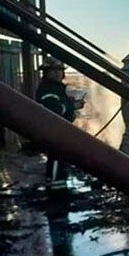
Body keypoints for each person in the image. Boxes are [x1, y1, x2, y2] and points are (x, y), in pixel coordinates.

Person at [36, 57, 84, 192]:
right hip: (54, 130)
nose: (58, 73)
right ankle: (57, 193)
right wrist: (72, 105)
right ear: (46, 72)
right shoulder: (48, 89)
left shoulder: (55, 88)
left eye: (60, 70)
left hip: (58, 130)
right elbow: (54, 109)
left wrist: (71, 105)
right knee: (57, 158)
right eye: (53, 70)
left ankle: (56, 187)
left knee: (58, 158)